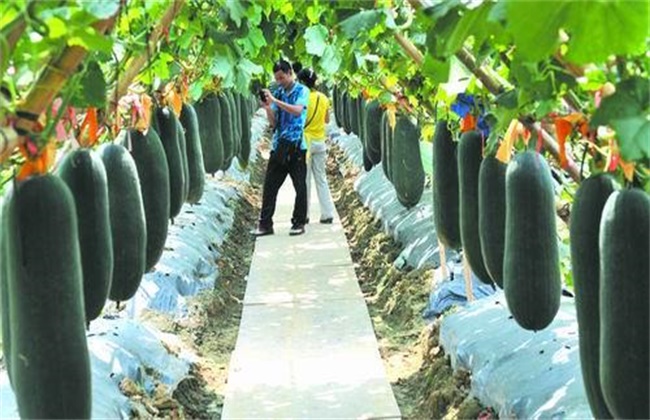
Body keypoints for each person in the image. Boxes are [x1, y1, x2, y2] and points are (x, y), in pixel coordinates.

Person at [252, 59, 310, 237]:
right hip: (279, 145)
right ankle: (265, 224)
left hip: (296, 145)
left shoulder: (302, 91)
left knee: (300, 186)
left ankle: (298, 223)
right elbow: (274, 123)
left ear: (290, 73)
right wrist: (268, 107)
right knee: (270, 186)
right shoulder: (279, 92)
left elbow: (298, 111)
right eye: (276, 78)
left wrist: (276, 99)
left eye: (281, 77)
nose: (279, 81)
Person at [296, 68, 335, 224]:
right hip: (320, 142)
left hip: (305, 143)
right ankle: (327, 214)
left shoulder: (301, 98)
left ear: (303, 83)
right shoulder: (324, 98)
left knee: (305, 180)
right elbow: (326, 120)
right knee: (321, 179)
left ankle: (304, 215)